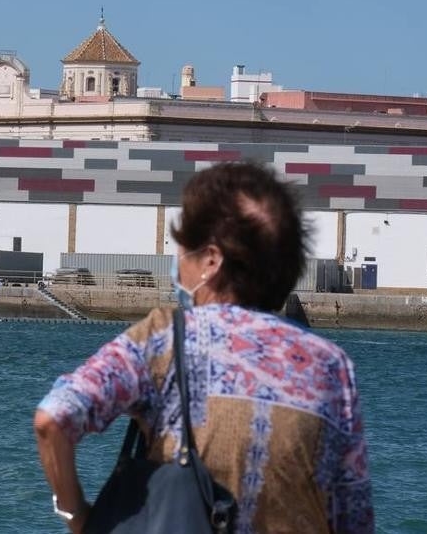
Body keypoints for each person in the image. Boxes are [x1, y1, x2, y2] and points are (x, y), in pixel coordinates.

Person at [34, 162, 373, 533]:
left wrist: (77, 516)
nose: (179, 266)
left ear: (211, 261)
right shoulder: (332, 366)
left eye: (184, 252)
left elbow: (55, 417)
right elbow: (352, 514)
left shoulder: (164, 338)